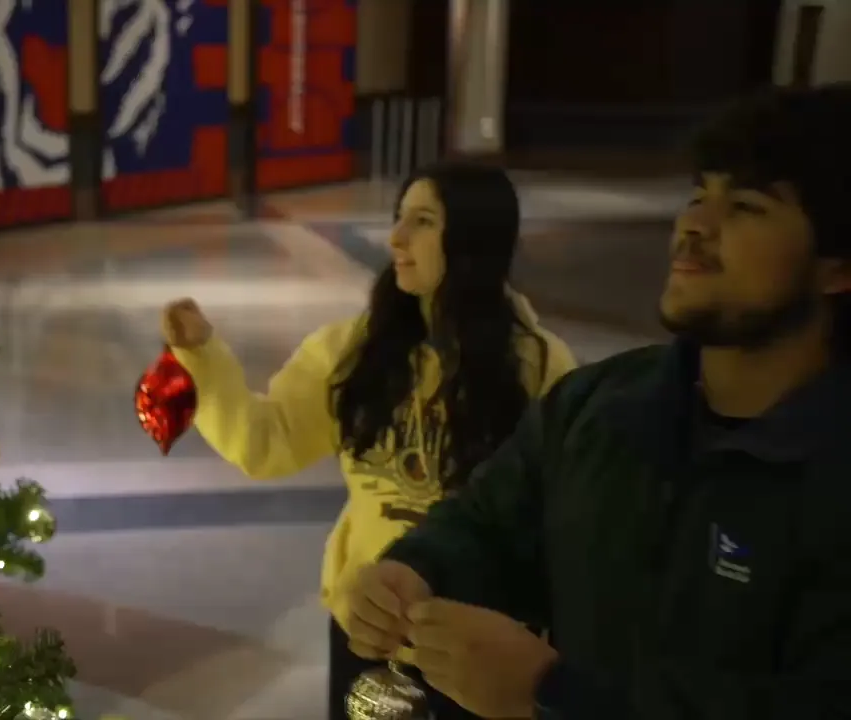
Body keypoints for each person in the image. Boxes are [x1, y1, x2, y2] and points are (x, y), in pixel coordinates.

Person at [339, 83, 851, 719]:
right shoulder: (599, 406)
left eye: (745, 207)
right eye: (698, 195)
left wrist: (551, 694)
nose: (694, 225)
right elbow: (489, 525)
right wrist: (414, 571)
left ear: (837, 266)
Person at [160, 163, 577, 719]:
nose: (396, 239)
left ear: (474, 238)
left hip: (476, 645)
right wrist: (203, 358)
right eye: (398, 219)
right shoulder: (355, 351)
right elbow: (267, 440)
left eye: (422, 222)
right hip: (367, 629)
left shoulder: (539, 366)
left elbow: (564, 520)